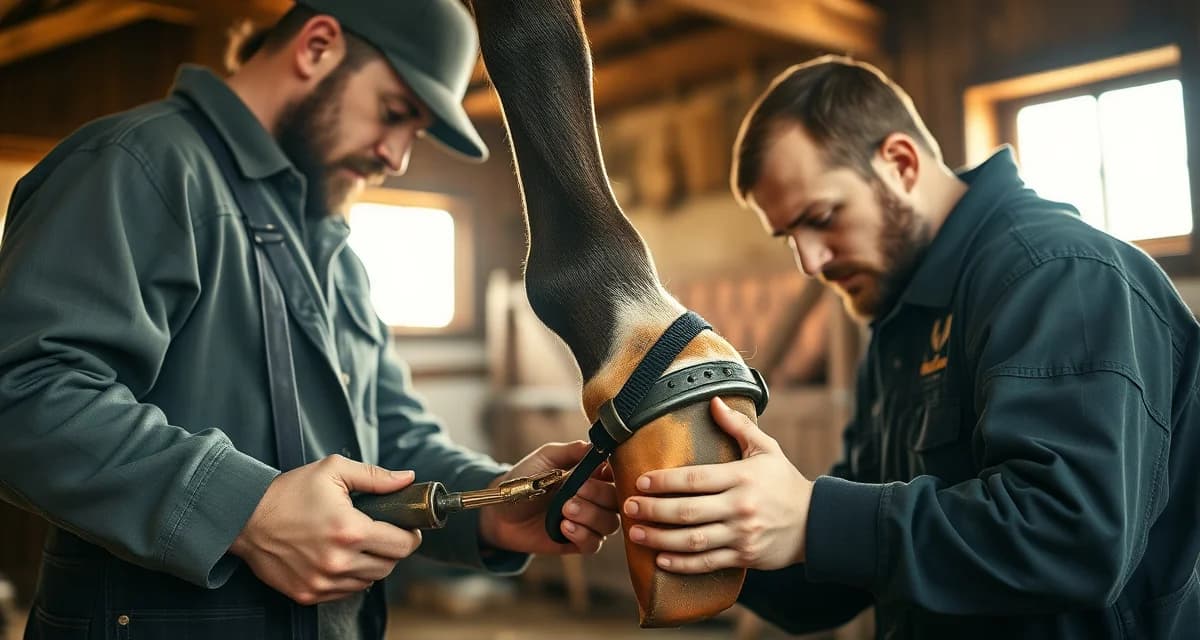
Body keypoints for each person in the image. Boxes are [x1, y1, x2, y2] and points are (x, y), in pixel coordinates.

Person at [0, 1, 619, 638]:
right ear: (317, 45)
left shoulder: (332, 249)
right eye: (395, 112)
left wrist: (492, 505)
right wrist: (245, 510)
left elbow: (392, 443)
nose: (399, 157)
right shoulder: (139, 167)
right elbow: (23, 393)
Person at [621, 55, 1200, 638]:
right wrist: (706, 524)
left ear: (899, 163)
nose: (810, 262)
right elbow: (854, 570)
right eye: (790, 236)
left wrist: (814, 519)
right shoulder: (903, 321)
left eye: (822, 218)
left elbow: (1072, 538)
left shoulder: (1060, 276)